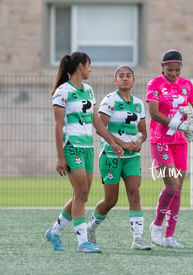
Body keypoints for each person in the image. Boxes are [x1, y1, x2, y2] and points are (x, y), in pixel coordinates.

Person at [45, 52, 124, 253]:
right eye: (89, 65)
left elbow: (96, 121)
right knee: (81, 193)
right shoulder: (62, 92)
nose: (91, 69)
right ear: (81, 66)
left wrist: (112, 142)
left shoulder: (88, 90)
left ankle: (54, 232)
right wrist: (60, 156)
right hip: (72, 147)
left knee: (82, 194)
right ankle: (82, 243)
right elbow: (58, 125)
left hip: (88, 148)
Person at [86, 65, 151, 251]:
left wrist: (139, 141)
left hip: (132, 157)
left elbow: (142, 131)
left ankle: (138, 239)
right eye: (121, 76)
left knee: (135, 193)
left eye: (128, 76)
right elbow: (100, 127)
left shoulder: (139, 103)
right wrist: (121, 144)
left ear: (133, 80)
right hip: (110, 156)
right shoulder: (110, 100)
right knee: (110, 200)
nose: (124, 78)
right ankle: (90, 228)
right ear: (115, 81)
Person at [146, 49, 193, 249]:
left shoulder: (186, 85)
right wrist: (176, 124)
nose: (174, 74)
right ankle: (156, 226)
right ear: (162, 67)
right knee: (171, 185)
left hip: (180, 142)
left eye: (177, 70)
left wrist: (191, 113)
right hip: (160, 139)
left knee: (178, 189)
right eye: (170, 70)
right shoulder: (155, 84)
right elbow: (153, 113)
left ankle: (170, 236)